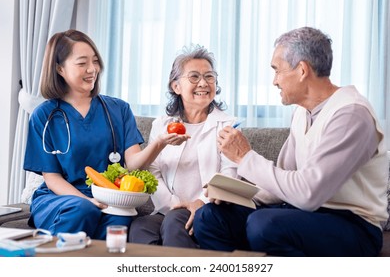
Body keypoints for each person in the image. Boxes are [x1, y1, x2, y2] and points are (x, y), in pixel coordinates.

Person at [193, 27, 389, 256]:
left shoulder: (351, 115)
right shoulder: (302, 113)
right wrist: (234, 195)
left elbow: (307, 194)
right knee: (209, 218)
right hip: (302, 213)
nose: (274, 81)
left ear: (302, 70)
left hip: (354, 225)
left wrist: (245, 157)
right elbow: (283, 182)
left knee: (264, 225)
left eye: (277, 71)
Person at [23, 29, 186, 240]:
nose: (92, 69)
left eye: (95, 61)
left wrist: (160, 143)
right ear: (59, 68)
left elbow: (134, 165)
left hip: (110, 197)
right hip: (60, 198)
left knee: (119, 222)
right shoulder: (44, 116)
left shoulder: (118, 110)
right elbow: (52, 178)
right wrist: (86, 200)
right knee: (82, 210)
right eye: (82, 63)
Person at [129, 45, 238, 248]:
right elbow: (153, 172)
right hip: (169, 208)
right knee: (140, 227)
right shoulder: (162, 125)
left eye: (209, 76)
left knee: (174, 223)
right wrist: (173, 205)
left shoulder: (228, 125)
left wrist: (199, 203)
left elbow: (229, 174)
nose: (204, 83)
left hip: (207, 210)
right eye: (194, 77)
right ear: (176, 86)